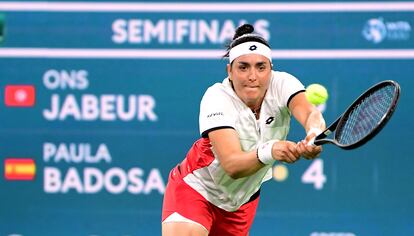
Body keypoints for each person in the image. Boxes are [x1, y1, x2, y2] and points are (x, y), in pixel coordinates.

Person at [161, 24, 326, 236]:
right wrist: (272, 149)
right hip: (197, 189)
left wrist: (314, 134)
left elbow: (310, 114)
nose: (252, 76)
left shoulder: (283, 84)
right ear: (229, 71)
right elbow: (232, 164)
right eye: (243, 67)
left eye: (261, 67)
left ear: (270, 69)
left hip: (241, 204)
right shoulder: (216, 98)